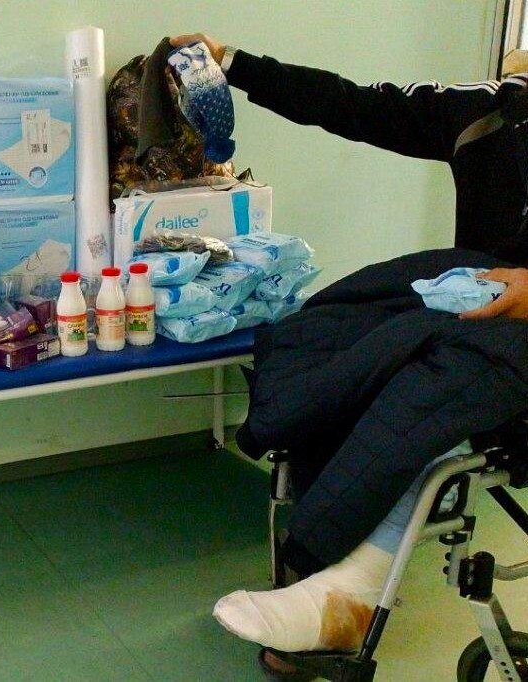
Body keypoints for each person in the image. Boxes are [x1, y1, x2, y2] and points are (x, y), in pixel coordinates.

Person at [169, 32, 528, 678]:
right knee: (328, 329)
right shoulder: (490, 110)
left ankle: (346, 592)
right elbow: (353, 105)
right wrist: (234, 63)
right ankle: (317, 575)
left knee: (440, 377)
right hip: (472, 300)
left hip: (506, 344)